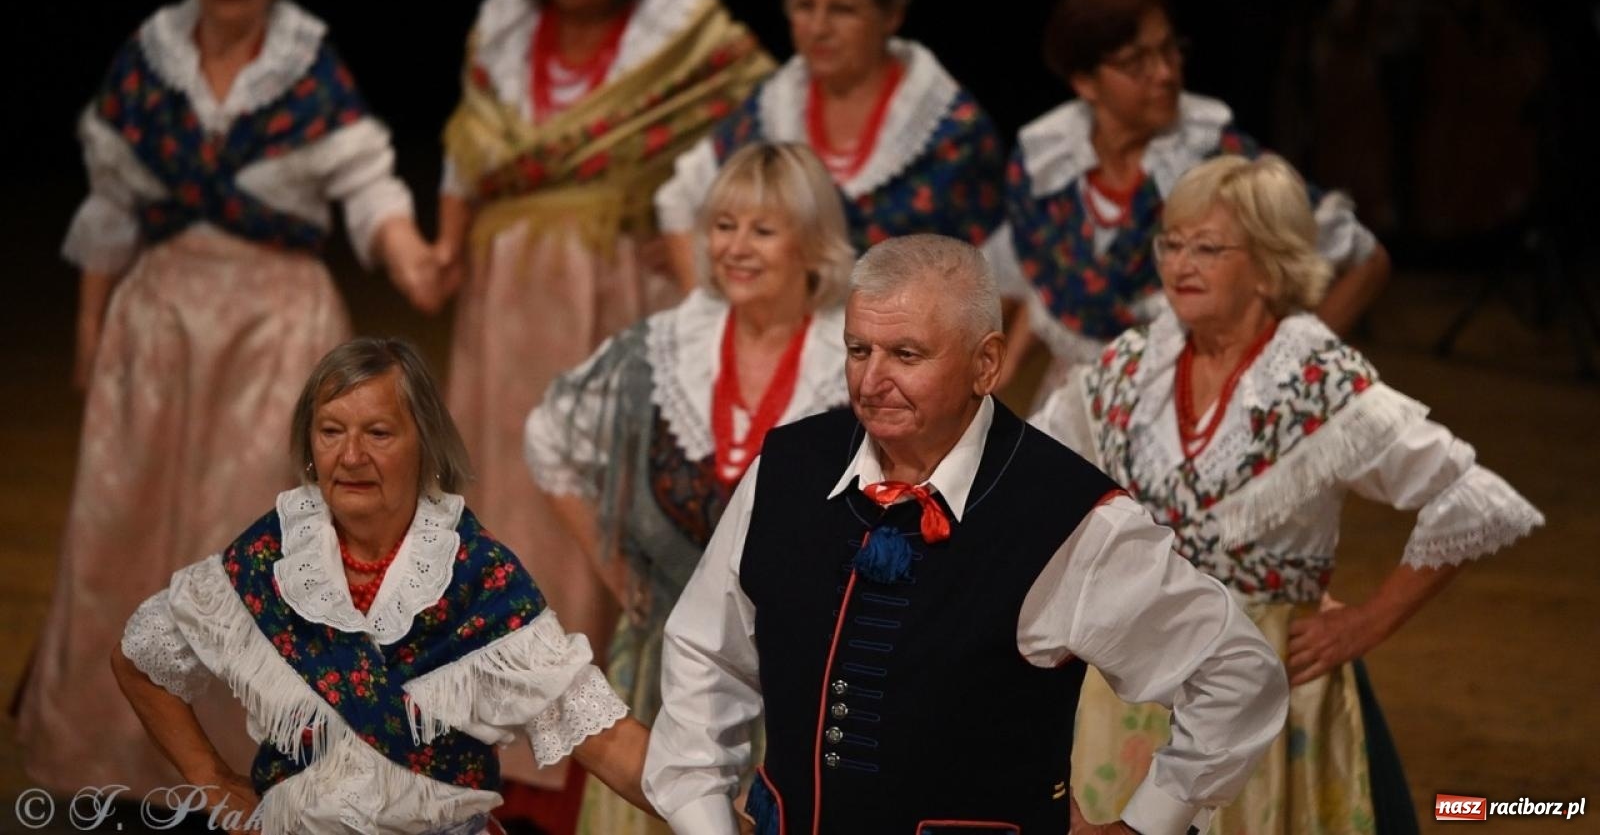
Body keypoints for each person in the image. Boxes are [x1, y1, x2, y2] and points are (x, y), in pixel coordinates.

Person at [642, 234, 1290, 835]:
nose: (872, 380)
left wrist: (1148, 823)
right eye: (858, 349)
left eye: (906, 354)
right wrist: (707, 820)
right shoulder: (787, 467)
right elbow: (706, 653)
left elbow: (1235, 674)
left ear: (986, 363)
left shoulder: (1068, 517)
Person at [19, 0, 438, 796]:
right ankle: (114, 759)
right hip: (162, 318)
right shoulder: (149, 59)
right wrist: (90, 327)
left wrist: (412, 259)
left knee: (246, 531)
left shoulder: (308, 68)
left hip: (271, 323)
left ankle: (252, 765)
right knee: (122, 526)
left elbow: (367, 187)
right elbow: (112, 203)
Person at [1033, 154, 1545, 834]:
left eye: (1208, 248)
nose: (1182, 263)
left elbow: (1473, 497)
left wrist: (1367, 621)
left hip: (1263, 686)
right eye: (1173, 244)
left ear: (1269, 265)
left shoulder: (1313, 379)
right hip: (1133, 681)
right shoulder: (1132, 366)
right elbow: (1034, 471)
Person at [436, 0, 773, 692]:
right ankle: (489, 694)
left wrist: (700, 229)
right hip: (509, 297)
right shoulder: (506, 22)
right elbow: (465, 152)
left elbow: (746, 127)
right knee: (509, 474)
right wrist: (444, 247)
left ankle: (593, 695)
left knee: (605, 477)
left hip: (619, 286)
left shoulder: (679, 29)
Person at [112, 338, 655, 834]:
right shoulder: (274, 557)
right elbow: (140, 660)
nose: (350, 457)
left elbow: (602, 738)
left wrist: (718, 815)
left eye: (378, 433)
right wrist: (211, 781)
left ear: (425, 444)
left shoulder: (474, 575)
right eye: (330, 432)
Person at [528, 142, 855, 834]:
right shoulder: (668, 344)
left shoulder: (852, 360)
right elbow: (549, 436)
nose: (735, 247)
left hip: (803, 681)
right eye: (723, 226)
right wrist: (618, 574)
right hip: (661, 672)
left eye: (762, 230)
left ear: (814, 245)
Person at [991, 0, 1391, 403]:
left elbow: (1366, 261)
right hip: (1075, 405)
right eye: (1136, 62)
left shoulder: (1218, 157)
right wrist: (1001, 372)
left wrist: (1284, 372)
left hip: (1188, 406)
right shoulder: (1046, 166)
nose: (1164, 73)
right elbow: (1040, 281)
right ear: (1086, 82)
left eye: (1169, 51)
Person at [654, 0, 1006, 288]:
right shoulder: (771, 110)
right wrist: (705, 316)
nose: (818, 28)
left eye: (842, 10)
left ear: (890, 15)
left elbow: (994, 279)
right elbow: (679, 199)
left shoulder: (952, 133)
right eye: (805, 6)